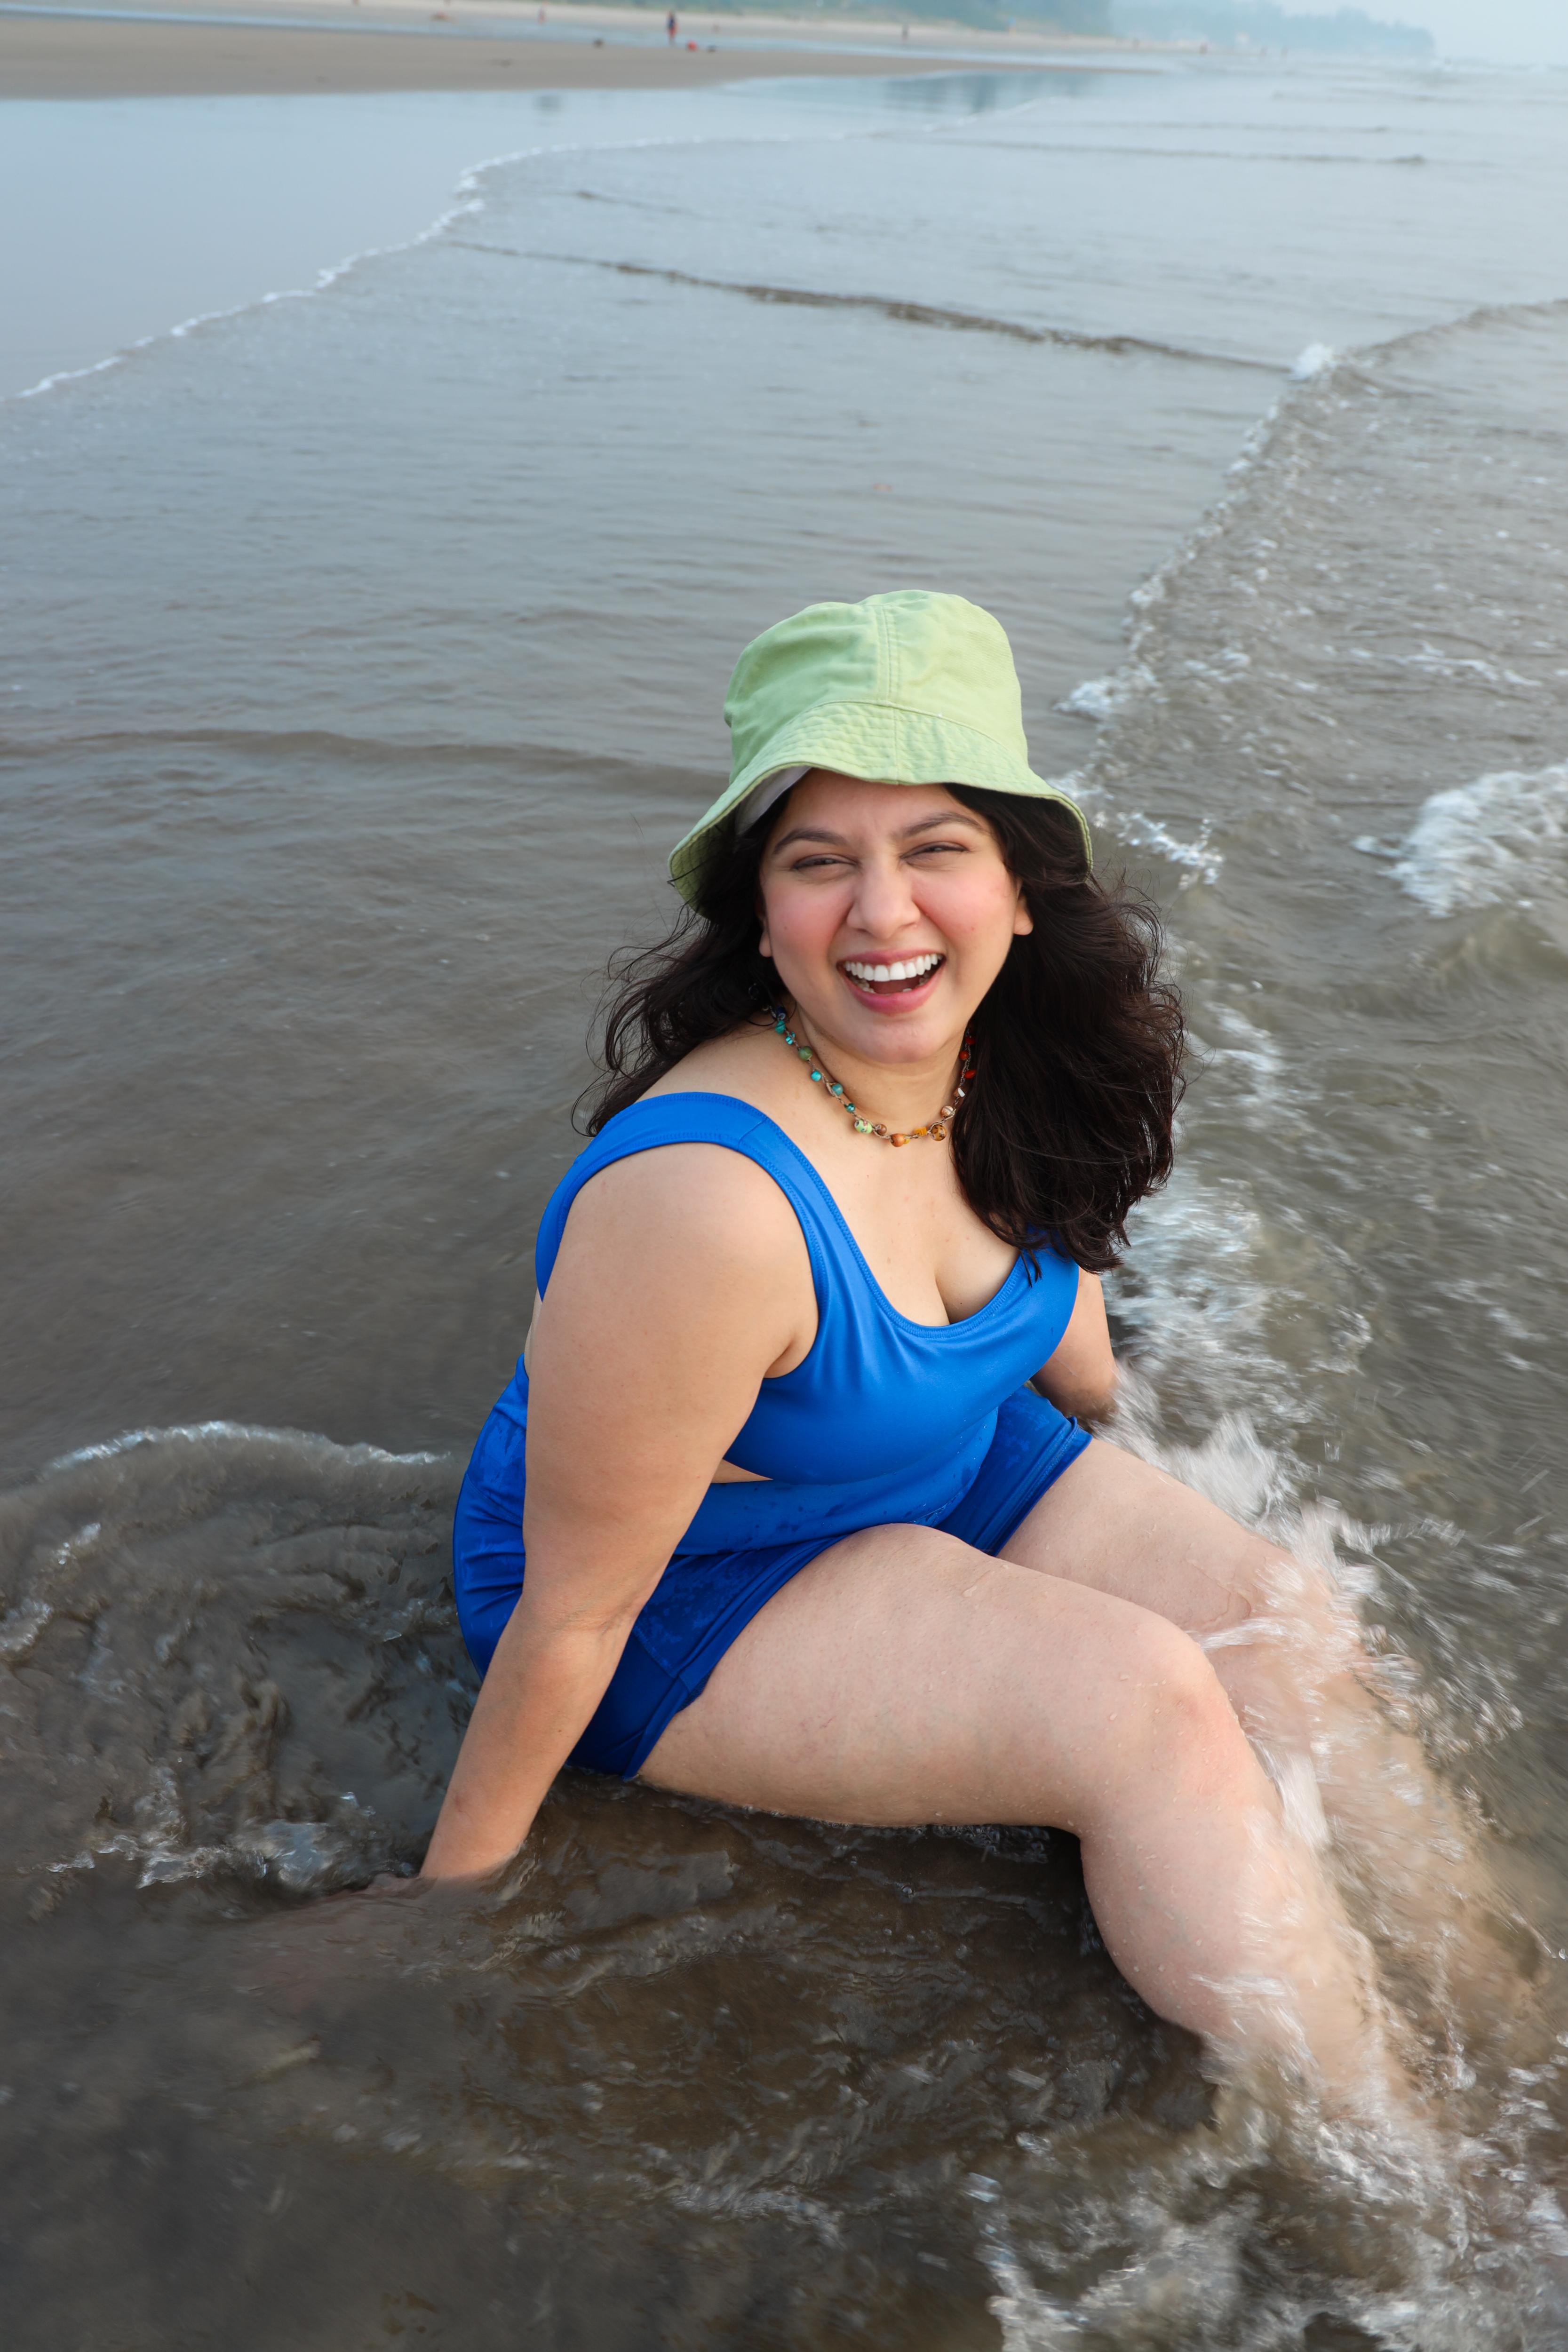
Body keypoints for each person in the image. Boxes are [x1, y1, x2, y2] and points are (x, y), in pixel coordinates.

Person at [424, 591, 1470, 2110]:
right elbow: (577, 1610)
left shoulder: (1011, 1056)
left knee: (1283, 1627)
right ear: (760, 912)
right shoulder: (704, 1205)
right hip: (686, 1589)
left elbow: (1064, 1295)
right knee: (1146, 1704)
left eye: (935, 849)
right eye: (817, 862)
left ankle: (1512, 2029)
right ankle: (1425, 2175)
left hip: (951, 1453)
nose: (883, 913)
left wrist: (1117, 1435)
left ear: (1021, 890)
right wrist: (443, 1912)